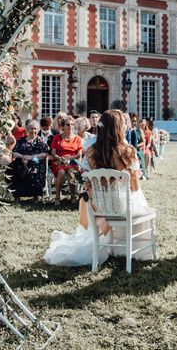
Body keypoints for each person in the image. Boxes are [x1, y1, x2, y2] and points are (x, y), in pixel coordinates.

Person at [43, 109, 155, 267]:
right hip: (123, 207)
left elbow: (87, 184)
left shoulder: (91, 152)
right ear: (118, 128)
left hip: (99, 209)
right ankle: (131, 248)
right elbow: (135, 188)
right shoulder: (129, 151)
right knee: (139, 202)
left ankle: (108, 240)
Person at [10, 120, 49, 202]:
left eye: (35, 129)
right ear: (27, 130)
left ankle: (36, 196)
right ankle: (17, 196)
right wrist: (23, 157)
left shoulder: (40, 141)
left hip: (36, 161)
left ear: (38, 130)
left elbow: (44, 154)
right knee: (14, 168)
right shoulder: (21, 141)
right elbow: (14, 153)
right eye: (31, 128)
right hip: (21, 162)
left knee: (35, 167)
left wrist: (31, 157)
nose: (33, 131)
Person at [50, 116, 83, 205]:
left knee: (72, 172)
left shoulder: (77, 138)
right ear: (63, 127)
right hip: (59, 161)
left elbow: (79, 154)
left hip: (72, 162)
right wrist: (61, 159)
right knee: (61, 172)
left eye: (72, 124)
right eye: (68, 124)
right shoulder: (57, 138)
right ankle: (57, 197)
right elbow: (53, 153)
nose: (70, 126)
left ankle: (73, 196)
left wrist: (71, 158)